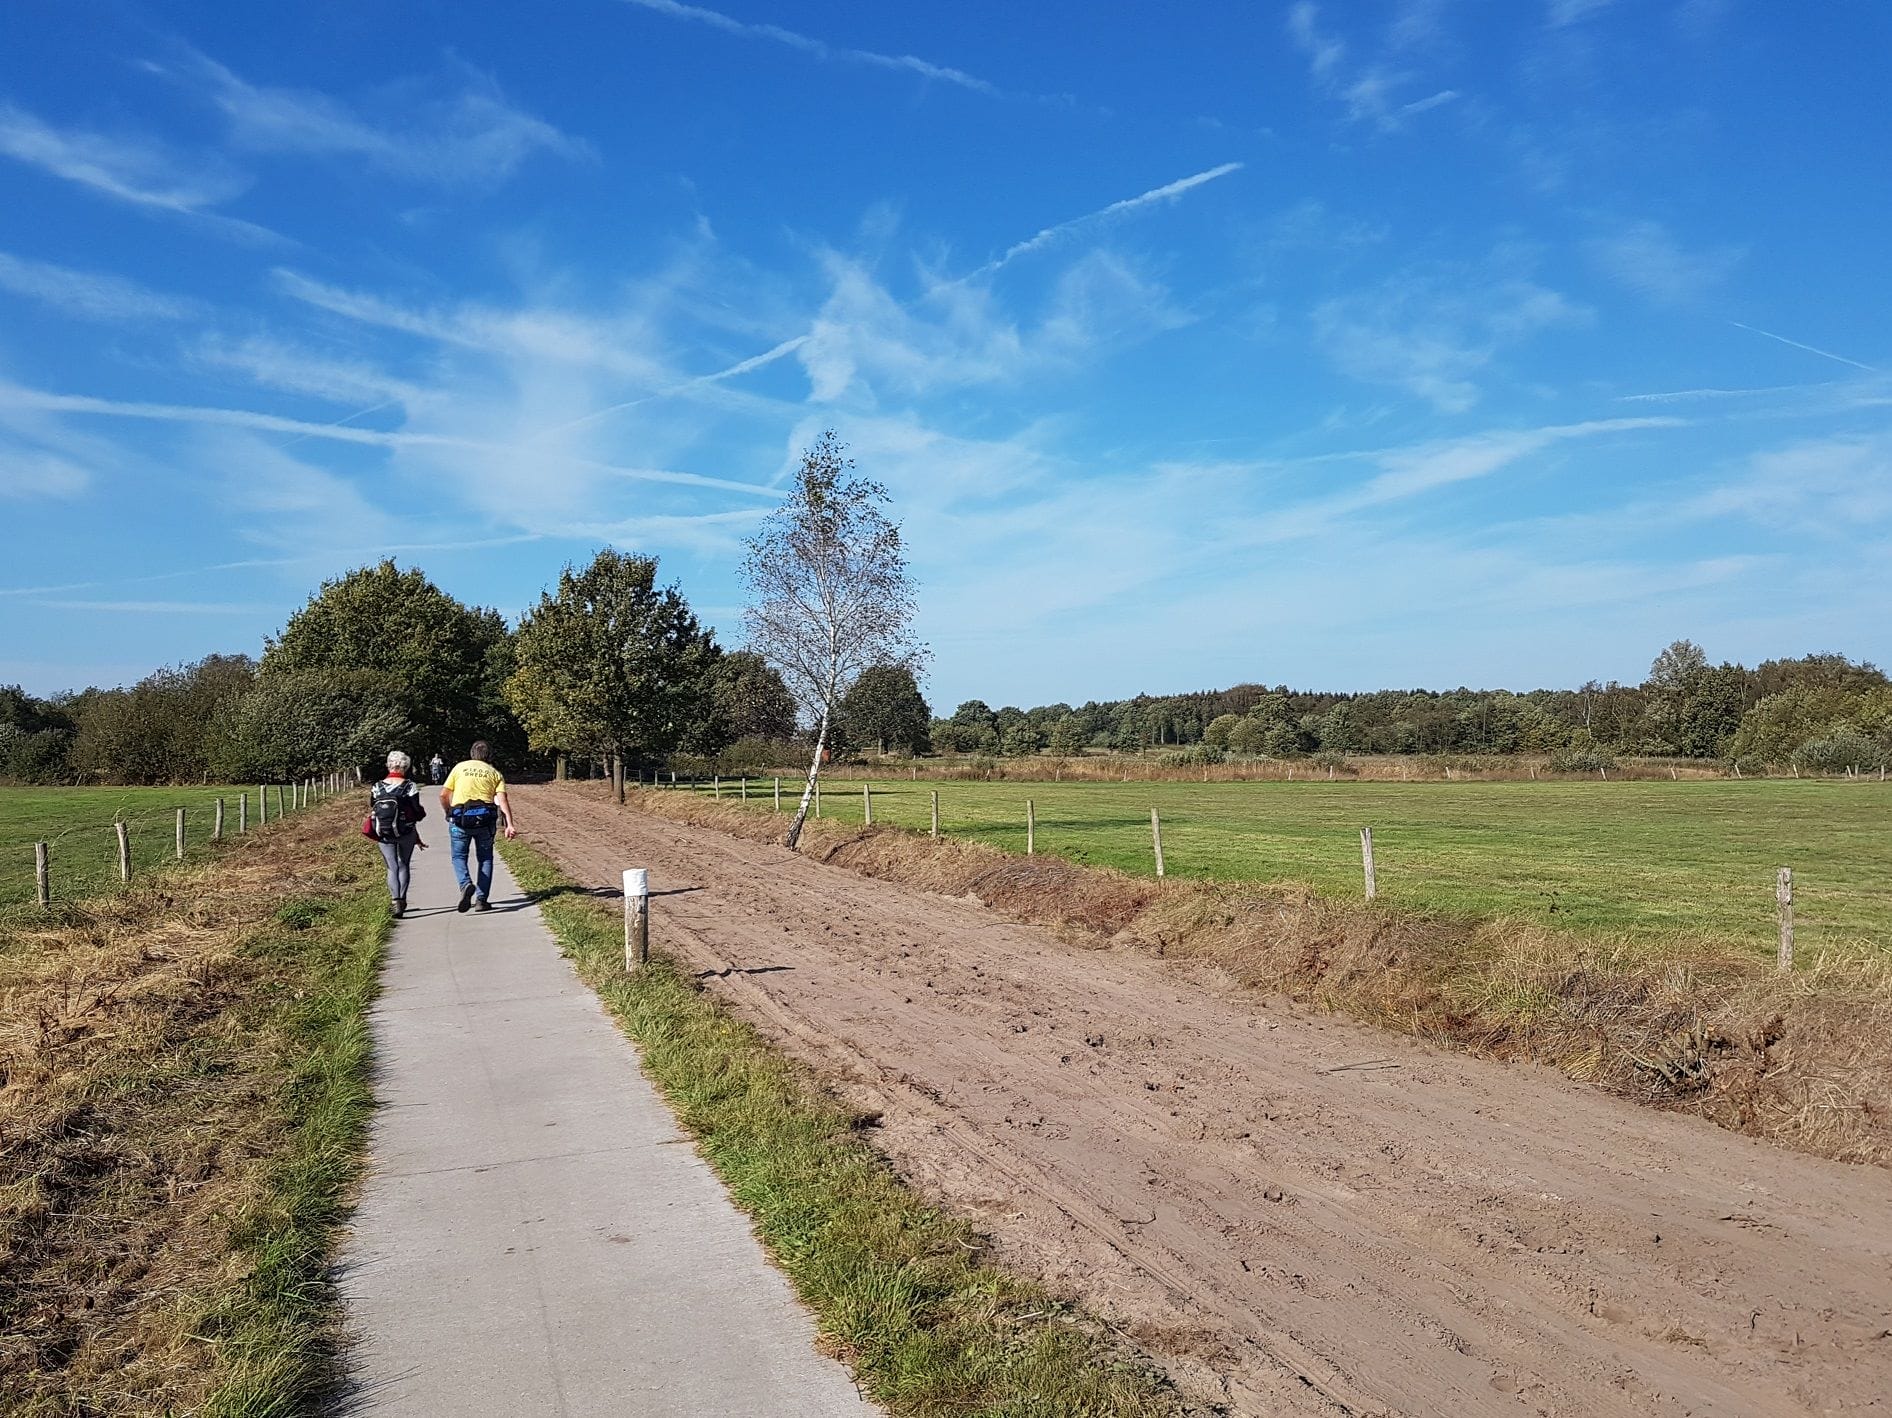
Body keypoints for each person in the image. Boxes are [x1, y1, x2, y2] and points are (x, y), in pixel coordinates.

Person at [439, 740, 517, 913]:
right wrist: (509, 824)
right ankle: (481, 900)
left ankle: (465, 884)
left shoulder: (459, 768)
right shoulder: (495, 773)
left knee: (459, 857)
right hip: (485, 822)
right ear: (489, 755)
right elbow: (502, 801)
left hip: (460, 821)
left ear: (472, 753)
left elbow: (443, 795)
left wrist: (448, 812)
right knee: (485, 858)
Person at [367, 750, 428, 918]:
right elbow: (417, 810)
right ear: (405, 767)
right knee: (403, 864)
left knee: (391, 866)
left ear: (388, 765)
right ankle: (402, 899)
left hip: (384, 832)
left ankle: (395, 901)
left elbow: (372, 805)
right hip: (406, 831)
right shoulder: (410, 786)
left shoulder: (377, 786)